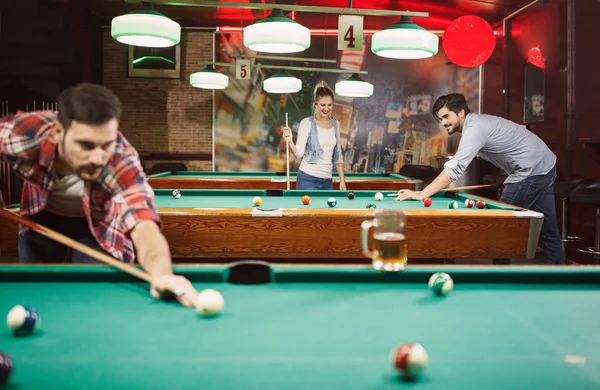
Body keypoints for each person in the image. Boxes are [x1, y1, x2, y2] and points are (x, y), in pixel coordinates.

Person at [0, 82, 199, 305]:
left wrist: (162, 274)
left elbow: (143, 224)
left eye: (107, 144)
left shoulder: (121, 159)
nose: (98, 158)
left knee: (97, 299)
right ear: (58, 132)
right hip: (42, 216)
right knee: (33, 294)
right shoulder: (25, 134)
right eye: (86, 145)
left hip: (97, 225)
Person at [395, 93, 562, 265]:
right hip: (546, 165)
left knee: (498, 231)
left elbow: (455, 168)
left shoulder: (475, 128)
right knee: (549, 232)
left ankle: (498, 281)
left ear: (460, 113)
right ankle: (559, 281)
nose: (443, 123)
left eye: (446, 116)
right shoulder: (477, 124)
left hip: (530, 170)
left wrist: (422, 194)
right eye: (440, 119)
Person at [282, 81, 347, 190]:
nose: (326, 109)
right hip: (307, 179)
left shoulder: (336, 123)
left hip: (327, 181)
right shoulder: (306, 123)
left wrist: (342, 181)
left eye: (329, 105)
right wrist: (290, 141)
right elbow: (298, 153)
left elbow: (338, 155)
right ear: (316, 103)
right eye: (323, 105)